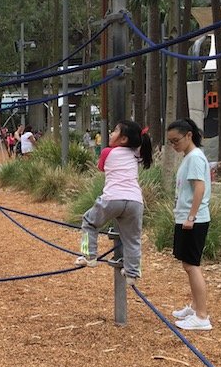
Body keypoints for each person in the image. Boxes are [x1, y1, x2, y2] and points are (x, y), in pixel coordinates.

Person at [75, 120, 153, 286]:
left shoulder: (107, 152)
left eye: (115, 131)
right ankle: (132, 273)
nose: (110, 133)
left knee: (89, 222)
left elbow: (100, 168)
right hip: (134, 201)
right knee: (132, 239)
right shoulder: (136, 153)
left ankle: (89, 256)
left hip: (112, 198)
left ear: (123, 139)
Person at [167, 118, 213, 331]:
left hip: (193, 219)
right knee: (188, 264)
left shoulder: (195, 157)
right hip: (186, 217)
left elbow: (199, 188)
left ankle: (202, 316)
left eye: (176, 140)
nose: (174, 145)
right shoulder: (189, 157)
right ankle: (195, 308)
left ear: (188, 136)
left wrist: (191, 217)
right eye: (170, 142)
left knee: (192, 266)